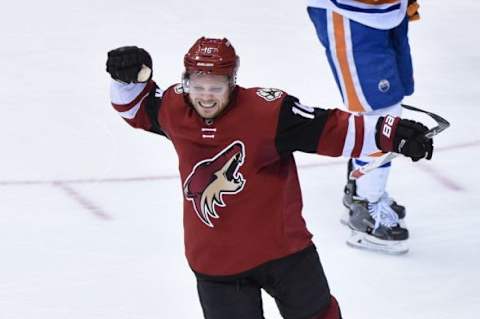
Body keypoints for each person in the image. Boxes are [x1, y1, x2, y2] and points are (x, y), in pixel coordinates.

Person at [105, 37, 432, 319]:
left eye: (216, 87)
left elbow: (329, 128)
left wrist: (389, 133)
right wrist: (126, 77)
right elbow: (137, 108)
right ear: (186, 82)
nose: (206, 96)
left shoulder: (268, 113)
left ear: (232, 82)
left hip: (285, 254)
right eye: (198, 86)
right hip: (216, 264)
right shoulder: (175, 109)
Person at [306, 0, 422, 254]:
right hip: (352, 12)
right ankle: (365, 205)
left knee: (392, 102)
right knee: (380, 112)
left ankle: (360, 189)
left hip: (389, 9)